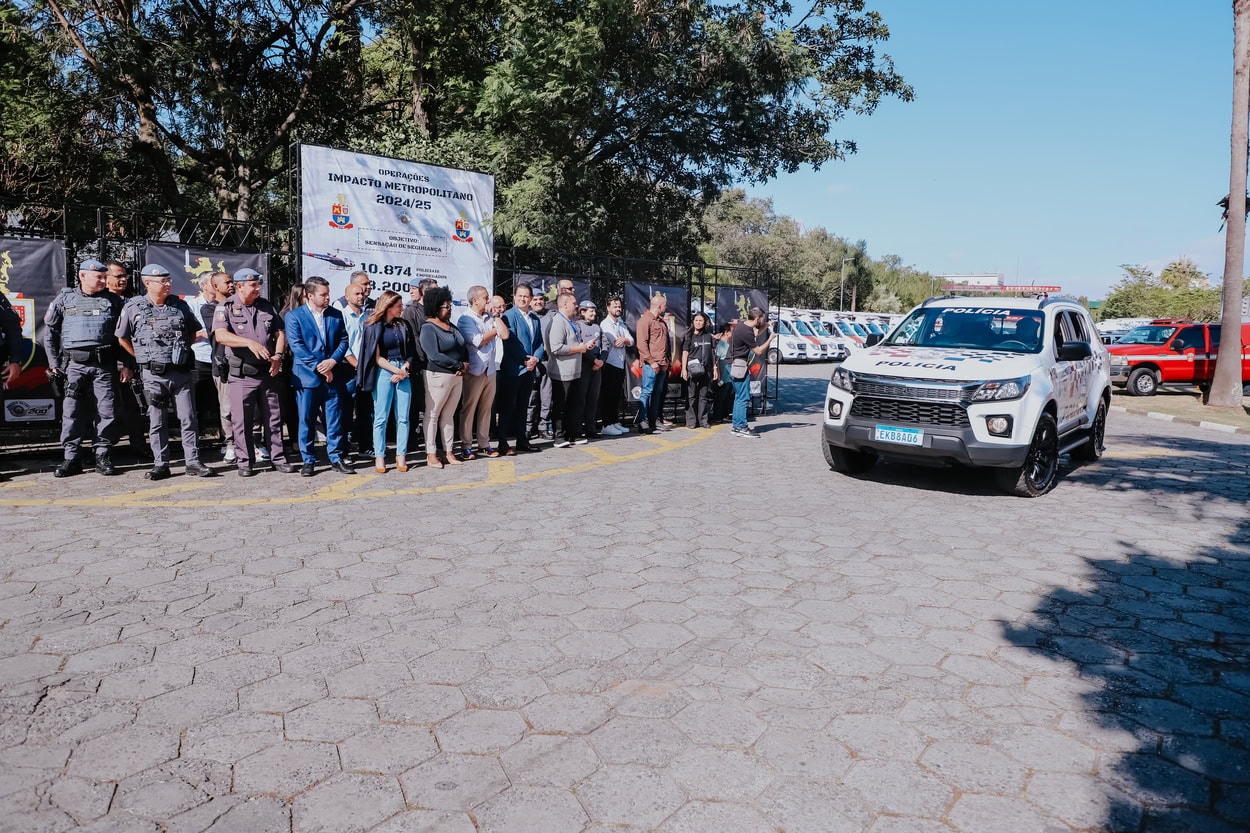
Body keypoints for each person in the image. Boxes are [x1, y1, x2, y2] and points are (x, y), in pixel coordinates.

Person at [114, 264, 214, 480]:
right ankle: (161, 464)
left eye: (169, 280)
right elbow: (122, 337)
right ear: (147, 283)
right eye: (163, 281)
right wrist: (141, 357)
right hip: (153, 375)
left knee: (188, 418)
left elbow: (192, 332)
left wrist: (181, 352)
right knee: (157, 421)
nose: (168, 284)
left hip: (181, 373)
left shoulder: (180, 305)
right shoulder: (133, 307)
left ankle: (193, 462)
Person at [44, 259, 132, 476]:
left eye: (104, 277)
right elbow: (50, 334)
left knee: (106, 411)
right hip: (74, 366)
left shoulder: (114, 301)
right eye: (98, 277)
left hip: (105, 366)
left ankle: (102, 455)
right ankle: (71, 458)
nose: (103, 280)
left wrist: (125, 364)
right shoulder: (65, 299)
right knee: (72, 412)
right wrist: (54, 364)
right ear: (83, 276)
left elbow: (125, 336)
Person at [212, 268, 295, 476]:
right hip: (242, 374)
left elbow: (280, 332)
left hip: (268, 372)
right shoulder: (226, 307)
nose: (257, 288)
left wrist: (278, 355)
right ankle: (245, 462)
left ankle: (278, 458)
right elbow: (221, 335)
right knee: (242, 420)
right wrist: (248, 342)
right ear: (239, 286)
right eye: (253, 285)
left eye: (258, 285)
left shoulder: (266, 305)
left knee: (273, 418)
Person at [284, 276, 355, 477]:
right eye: (323, 294)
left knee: (334, 419)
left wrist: (332, 361)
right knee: (306, 419)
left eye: (328, 294)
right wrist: (320, 367)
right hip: (307, 378)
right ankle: (308, 460)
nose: (327, 298)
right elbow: (297, 345)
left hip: (333, 376)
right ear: (309, 295)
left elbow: (344, 340)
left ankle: (336, 457)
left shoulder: (335, 314)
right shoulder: (294, 316)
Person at [356, 290, 418, 472]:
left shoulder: (404, 325)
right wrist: (395, 370)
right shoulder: (373, 326)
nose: (402, 308)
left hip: (403, 370)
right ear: (388, 307)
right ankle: (380, 456)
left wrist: (404, 369)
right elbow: (375, 357)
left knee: (403, 417)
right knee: (381, 417)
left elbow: (412, 351)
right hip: (384, 371)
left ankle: (401, 455)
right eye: (398, 306)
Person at [103, 260, 150, 457]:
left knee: (134, 406)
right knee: (104, 408)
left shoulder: (134, 301)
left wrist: (127, 364)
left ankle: (139, 446)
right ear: (106, 278)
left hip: (130, 361)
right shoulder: (99, 300)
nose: (123, 280)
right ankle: (102, 450)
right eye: (118, 276)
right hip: (103, 363)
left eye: (125, 276)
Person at [456, 284, 508, 459]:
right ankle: (466, 445)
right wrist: (495, 330)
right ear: (475, 300)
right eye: (485, 298)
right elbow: (478, 341)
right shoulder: (466, 319)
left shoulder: (490, 317)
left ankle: (484, 444)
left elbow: (505, 335)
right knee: (469, 408)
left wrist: (496, 317)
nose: (488, 301)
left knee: (486, 409)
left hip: (490, 370)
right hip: (475, 371)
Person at [419, 286, 468, 468]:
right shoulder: (428, 328)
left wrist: (464, 365)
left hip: (456, 376)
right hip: (437, 376)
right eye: (446, 306)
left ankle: (448, 451)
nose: (449, 309)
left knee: (449, 415)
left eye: (450, 306)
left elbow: (462, 347)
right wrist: (459, 365)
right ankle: (431, 453)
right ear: (435, 307)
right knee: (432, 415)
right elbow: (434, 355)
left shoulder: (451, 326)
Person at [497, 284, 544, 456]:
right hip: (514, 369)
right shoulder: (509, 316)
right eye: (520, 296)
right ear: (514, 297)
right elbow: (510, 342)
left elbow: (539, 342)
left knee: (523, 406)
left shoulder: (535, 319)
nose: (523, 299)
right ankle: (502, 442)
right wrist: (524, 359)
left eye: (526, 296)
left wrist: (536, 358)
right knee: (508, 407)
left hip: (529, 369)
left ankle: (522, 440)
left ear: (530, 299)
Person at [546, 291, 596, 448]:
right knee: (560, 405)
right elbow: (556, 347)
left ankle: (573, 433)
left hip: (574, 371)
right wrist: (578, 348)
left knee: (573, 404)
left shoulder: (570, 322)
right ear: (565, 304)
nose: (577, 306)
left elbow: (573, 343)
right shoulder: (558, 322)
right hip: (562, 373)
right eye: (574, 303)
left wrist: (584, 346)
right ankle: (559, 436)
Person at [200, 272, 237, 462]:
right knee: (227, 408)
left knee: (251, 408)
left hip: (244, 363)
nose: (231, 285)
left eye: (232, 282)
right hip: (223, 365)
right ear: (215, 287)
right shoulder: (209, 309)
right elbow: (226, 331)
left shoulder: (240, 306)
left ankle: (254, 442)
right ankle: (230, 444)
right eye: (227, 282)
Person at [336, 280, 371, 457]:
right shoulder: (342, 315)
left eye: (362, 293)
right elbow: (343, 345)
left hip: (365, 369)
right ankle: (344, 449)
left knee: (366, 410)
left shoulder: (366, 317)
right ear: (347, 296)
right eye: (356, 294)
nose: (361, 296)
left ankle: (365, 446)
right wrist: (356, 364)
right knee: (346, 410)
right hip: (348, 369)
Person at [729, 306, 776, 438]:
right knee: (743, 398)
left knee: (739, 397)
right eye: (763, 319)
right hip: (740, 366)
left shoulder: (743, 326)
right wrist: (770, 339)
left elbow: (754, 334)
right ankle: (742, 427)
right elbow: (759, 351)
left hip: (737, 364)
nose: (763, 321)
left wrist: (766, 325)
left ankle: (736, 426)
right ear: (757, 318)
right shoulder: (746, 331)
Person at [403, 277, 438, 449]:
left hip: (435, 365)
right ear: (426, 292)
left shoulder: (437, 310)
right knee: (414, 404)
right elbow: (413, 338)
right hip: (418, 364)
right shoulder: (411, 311)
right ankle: (411, 440)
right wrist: (425, 356)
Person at [273, 285, 306, 458]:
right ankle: (294, 441)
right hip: (290, 364)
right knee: (291, 405)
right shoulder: (285, 315)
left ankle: (303, 440)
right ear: (298, 297)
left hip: (307, 364)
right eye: (306, 295)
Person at [633, 292, 670, 434]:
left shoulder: (661, 322)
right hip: (651, 365)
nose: (666, 308)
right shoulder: (644, 321)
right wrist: (652, 362)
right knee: (647, 392)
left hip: (662, 364)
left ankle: (654, 421)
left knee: (657, 393)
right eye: (665, 305)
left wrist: (666, 361)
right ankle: (642, 421)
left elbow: (666, 344)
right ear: (659, 306)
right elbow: (641, 344)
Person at [597, 295, 633, 435]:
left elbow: (631, 340)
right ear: (608, 308)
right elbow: (615, 341)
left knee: (616, 395)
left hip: (620, 363)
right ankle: (606, 424)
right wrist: (624, 340)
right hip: (610, 363)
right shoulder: (605, 324)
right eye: (615, 306)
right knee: (608, 395)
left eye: (619, 306)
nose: (618, 308)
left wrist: (624, 340)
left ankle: (614, 421)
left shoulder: (621, 323)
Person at [188, 275, 218, 441]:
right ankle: (195, 440)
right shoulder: (192, 305)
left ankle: (225, 440)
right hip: (200, 358)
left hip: (219, 358)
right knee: (196, 401)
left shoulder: (224, 305)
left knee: (221, 402)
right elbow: (188, 333)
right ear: (204, 286)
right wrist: (203, 333)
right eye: (213, 283)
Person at [682, 311, 717, 428]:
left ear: (705, 322)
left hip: (706, 369)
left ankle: (703, 421)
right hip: (692, 369)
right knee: (691, 396)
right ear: (693, 322)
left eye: (700, 320)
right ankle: (691, 421)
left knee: (703, 396)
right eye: (696, 320)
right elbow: (685, 352)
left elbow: (713, 353)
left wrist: (715, 368)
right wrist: (684, 369)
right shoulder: (688, 336)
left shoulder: (709, 336)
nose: (698, 322)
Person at [576, 300, 604, 438]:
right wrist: (593, 360)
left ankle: (590, 428)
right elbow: (579, 345)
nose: (593, 313)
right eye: (590, 311)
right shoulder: (577, 326)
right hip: (583, 366)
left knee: (593, 397)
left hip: (597, 366)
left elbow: (605, 346)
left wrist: (601, 361)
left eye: (594, 310)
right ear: (582, 312)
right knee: (581, 398)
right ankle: (577, 428)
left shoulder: (597, 327)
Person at [527, 291, 553, 439]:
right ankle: (528, 427)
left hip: (547, 361)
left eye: (541, 299)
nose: (538, 302)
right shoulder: (527, 316)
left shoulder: (552, 316)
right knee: (530, 397)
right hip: (531, 361)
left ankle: (544, 427)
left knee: (546, 397)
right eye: (535, 299)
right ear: (530, 302)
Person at [711, 322, 734, 423]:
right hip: (722, 375)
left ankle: (725, 414)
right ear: (726, 332)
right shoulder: (720, 344)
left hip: (729, 376)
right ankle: (718, 416)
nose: (732, 333)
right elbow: (716, 361)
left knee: (728, 395)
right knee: (721, 396)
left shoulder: (729, 343)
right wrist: (718, 377)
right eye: (731, 331)